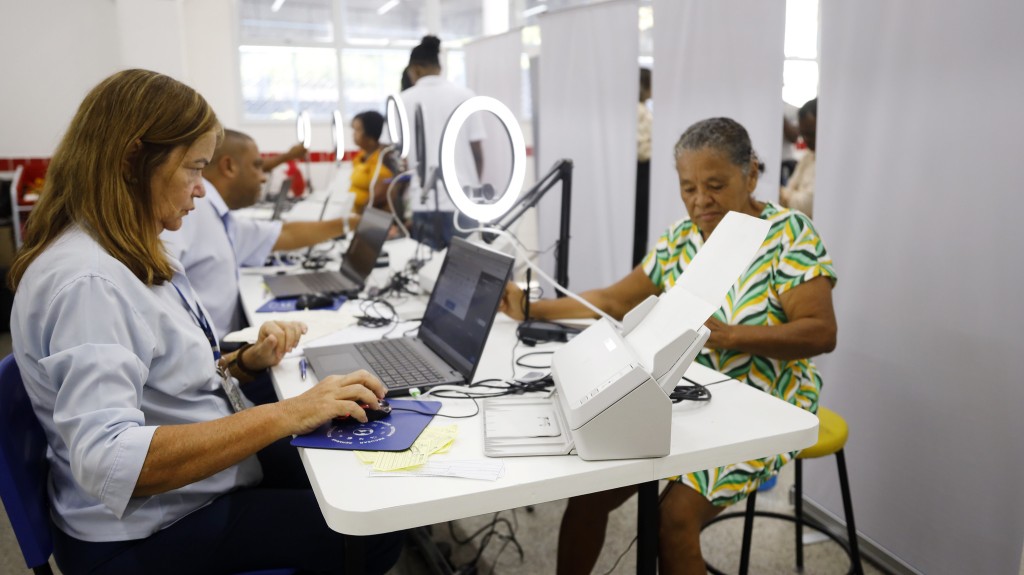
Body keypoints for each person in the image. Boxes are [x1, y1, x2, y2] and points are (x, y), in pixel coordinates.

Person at [7, 69, 404, 575]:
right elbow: (111, 462)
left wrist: (244, 362)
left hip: (181, 490)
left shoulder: (125, 249)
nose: (201, 189)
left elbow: (162, 380)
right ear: (131, 160)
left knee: (347, 463)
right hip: (146, 531)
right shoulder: (90, 282)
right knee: (373, 531)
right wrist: (288, 413)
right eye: (194, 168)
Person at [499, 117, 838, 575]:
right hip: (688, 390)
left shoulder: (788, 234)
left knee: (672, 519)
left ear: (752, 174)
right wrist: (530, 308)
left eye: (715, 186)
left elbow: (820, 332)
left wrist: (731, 336)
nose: (700, 201)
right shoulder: (682, 238)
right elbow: (614, 300)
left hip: (766, 399)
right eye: (688, 188)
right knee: (590, 491)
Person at [161, 129, 360, 341]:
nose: (264, 177)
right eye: (257, 166)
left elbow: (285, 234)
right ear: (228, 166)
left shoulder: (217, 215)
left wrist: (349, 223)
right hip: (210, 352)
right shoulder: (192, 211)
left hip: (219, 349)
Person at [401, 34, 486, 250]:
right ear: (439, 66)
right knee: (467, 268)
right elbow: (477, 152)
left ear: (415, 69)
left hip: (424, 202)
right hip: (463, 201)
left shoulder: (402, 100)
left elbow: (395, 156)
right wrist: (472, 188)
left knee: (425, 268)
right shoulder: (465, 96)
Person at [349, 110, 401, 214]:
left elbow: (379, 195)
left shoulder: (383, 158)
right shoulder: (361, 157)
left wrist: (360, 214)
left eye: (358, 130)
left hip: (371, 214)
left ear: (370, 133)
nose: (353, 134)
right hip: (353, 211)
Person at [780, 97, 817, 217]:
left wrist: (784, 194)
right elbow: (790, 186)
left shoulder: (831, 163)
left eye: (810, 134)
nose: (805, 140)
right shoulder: (809, 155)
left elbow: (806, 204)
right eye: (803, 134)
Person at [634, 67, 653, 267]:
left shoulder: (643, 111)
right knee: (639, 224)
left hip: (643, 172)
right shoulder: (640, 112)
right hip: (641, 172)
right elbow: (641, 150)